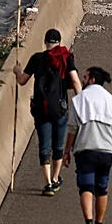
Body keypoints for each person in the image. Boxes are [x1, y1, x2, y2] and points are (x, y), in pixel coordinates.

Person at [15, 29, 83, 196]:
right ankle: (55, 177)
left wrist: (17, 70)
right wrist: (81, 103)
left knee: (44, 147)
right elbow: (75, 81)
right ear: (59, 42)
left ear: (45, 42)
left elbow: (22, 81)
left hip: (41, 110)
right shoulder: (66, 57)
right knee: (58, 145)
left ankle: (47, 184)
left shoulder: (37, 58)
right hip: (60, 109)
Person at [63, 67, 112, 224]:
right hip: (106, 152)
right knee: (102, 188)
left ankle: (88, 221)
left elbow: (72, 128)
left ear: (92, 79)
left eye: (85, 77)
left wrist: (67, 151)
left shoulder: (80, 100)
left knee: (86, 187)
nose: (83, 80)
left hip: (85, 151)